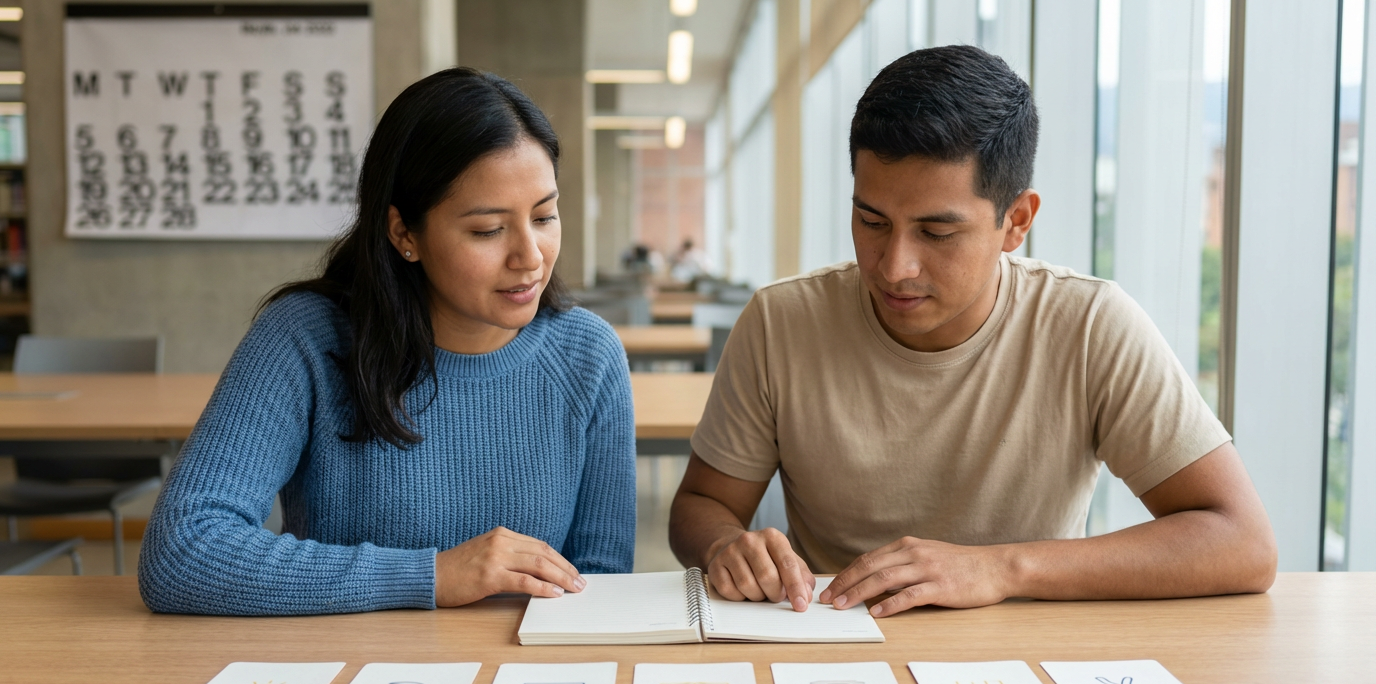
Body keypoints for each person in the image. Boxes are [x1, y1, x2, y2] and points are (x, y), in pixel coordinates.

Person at [669, 45, 1277, 617]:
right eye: (871, 220)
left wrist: (1004, 569)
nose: (894, 266)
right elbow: (703, 505)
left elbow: (1242, 542)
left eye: (937, 233)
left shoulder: (1089, 325)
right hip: (841, 645)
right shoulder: (781, 322)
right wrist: (725, 543)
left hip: (1030, 658)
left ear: (1016, 221)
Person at [139, 68, 636, 616]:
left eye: (544, 216)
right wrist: (430, 576)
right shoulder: (305, 338)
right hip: (344, 680)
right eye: (488, 230)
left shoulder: (588, 355)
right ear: (404, 233)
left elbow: (604, 588)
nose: (531, 255)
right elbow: (182, 550)